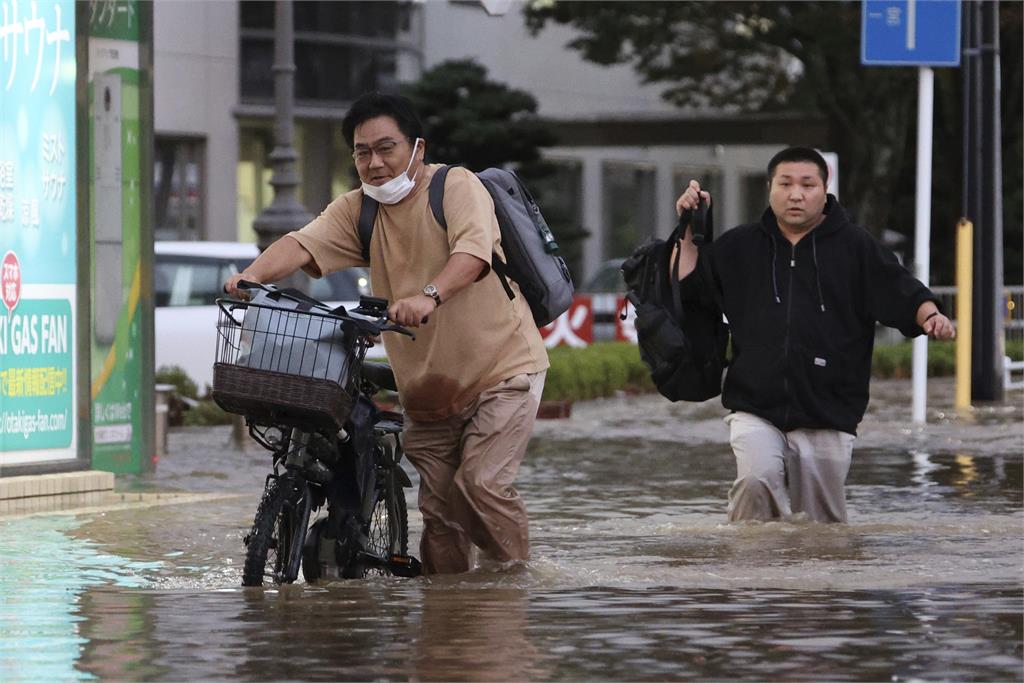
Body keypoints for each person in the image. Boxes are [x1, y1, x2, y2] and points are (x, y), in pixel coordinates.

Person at [224, 92, 549, 573]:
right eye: (362, 152)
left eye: (386, 148)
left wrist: (428, 296)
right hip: (428, 389)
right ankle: (452, 615)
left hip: (501, 371)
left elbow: (474, 255)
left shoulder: (454, 186)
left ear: (417, 147)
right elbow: (300, 243)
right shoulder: (360, 210)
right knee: (440, 517)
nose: (374, 163)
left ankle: (514, 590)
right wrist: (250, 277)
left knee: (480, 486)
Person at [674, 147, 955, 523]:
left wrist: (932, 316)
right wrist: (689, 229)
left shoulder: (855, 246)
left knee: (822, 530)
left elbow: (902, 290)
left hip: (829, 409)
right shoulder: (740, 246)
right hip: (755, 405)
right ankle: (747, 577)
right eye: (785, 184)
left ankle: (818, 582)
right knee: (756, 480)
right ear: (769, 188)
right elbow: (689, 288)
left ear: (825, 189)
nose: (796, 194)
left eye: (807, 184)